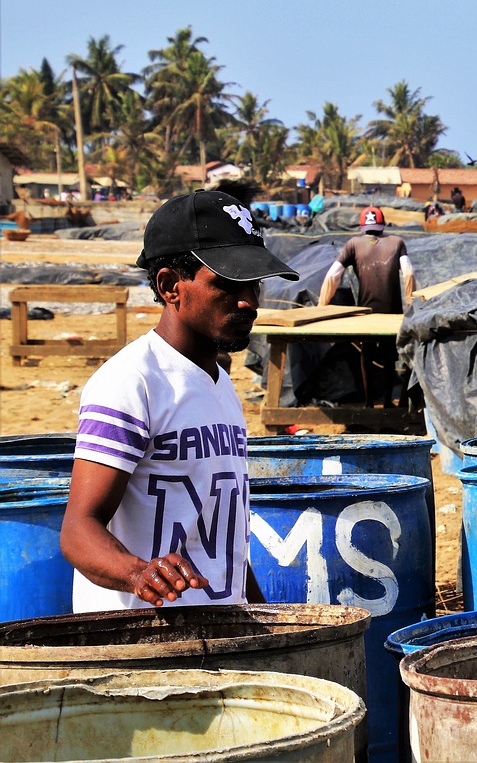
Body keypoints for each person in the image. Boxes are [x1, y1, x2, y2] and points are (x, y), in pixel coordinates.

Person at [61, 189, 299, 610]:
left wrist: (259, 616)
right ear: (171, 286)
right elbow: (79, 530)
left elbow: (220, 540)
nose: (249, 302)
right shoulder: (133, 382)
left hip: (215, 643)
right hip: (145, 648)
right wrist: (139, 573)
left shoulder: (221, 387)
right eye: (227, 284)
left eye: (254, 284)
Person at [318, 206, 416, 408]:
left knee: (367, 354)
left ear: (363, 226)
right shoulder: (397, 242)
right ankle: (389, 401)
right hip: (392, 313)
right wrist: (411, 302)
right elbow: (408, 273)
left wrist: (322, 305)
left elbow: (333, 275)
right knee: (391, 355)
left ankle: (369, 402)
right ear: (382, 225)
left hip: (367, 313)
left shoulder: (353, 244)